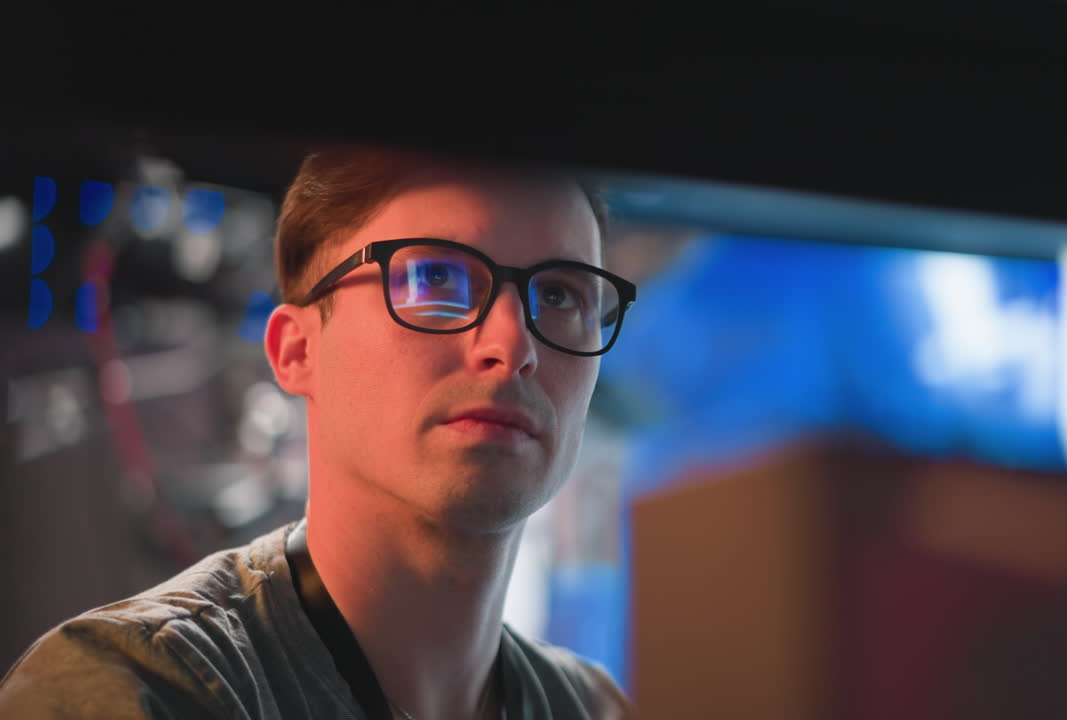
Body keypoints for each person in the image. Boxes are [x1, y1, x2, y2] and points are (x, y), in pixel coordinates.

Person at [0, 144, 638, 719]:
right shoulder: (135, 691)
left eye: (560, 296)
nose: (512, 345)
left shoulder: (592, 707)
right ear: (297, 351)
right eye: (435, 278)